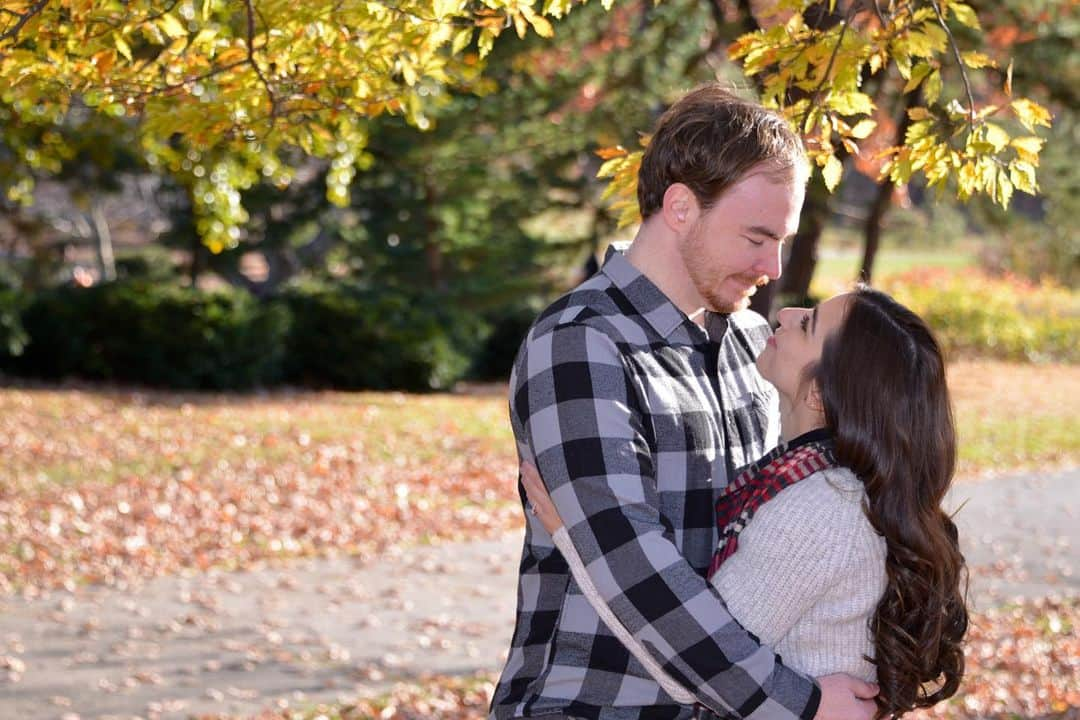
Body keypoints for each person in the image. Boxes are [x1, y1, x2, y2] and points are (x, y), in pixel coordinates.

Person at [489, 84, 880, 720]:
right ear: (680, 208)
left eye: (780, 240)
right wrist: (798, 704)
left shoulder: (758, 346)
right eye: (756, 237)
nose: (774, 267)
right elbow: (636, 572)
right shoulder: (582, 345)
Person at [521, 287, 969, 718]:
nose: (786, 313)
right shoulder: (820, 485)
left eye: (808, 324)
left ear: (818, 393)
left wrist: (576, 536)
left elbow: (689, 666)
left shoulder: (820, 509)